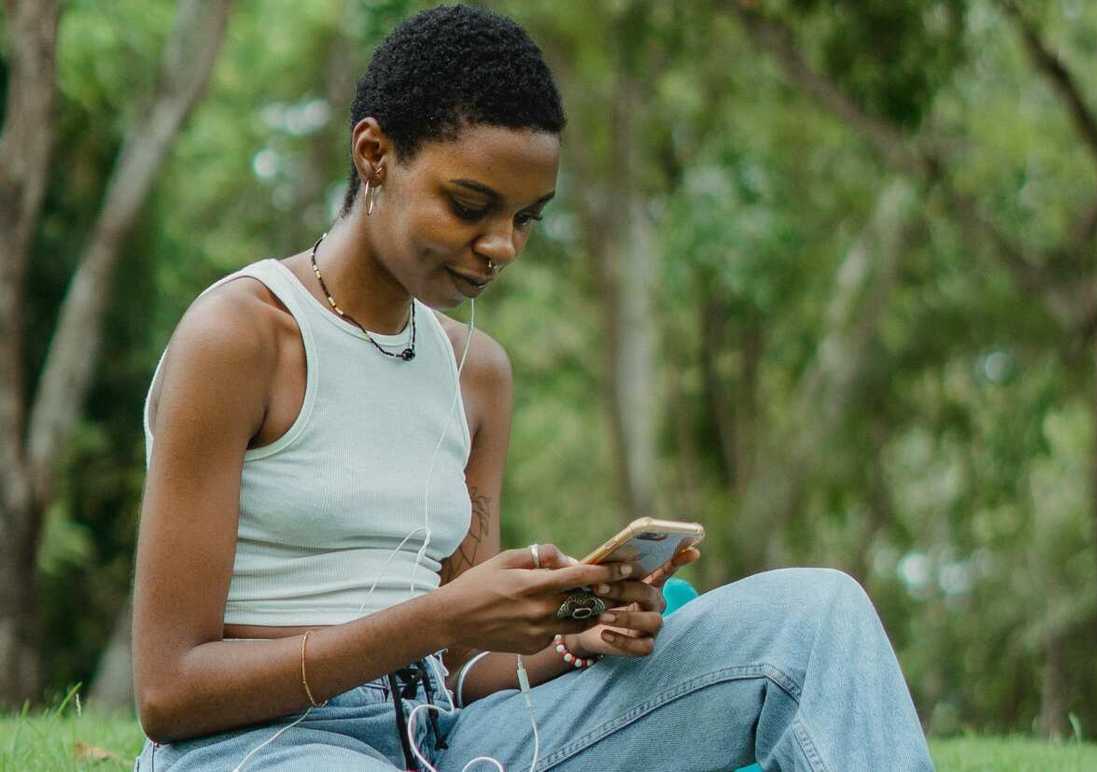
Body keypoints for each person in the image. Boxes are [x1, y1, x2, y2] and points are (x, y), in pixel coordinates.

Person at [130, 5, 934, 771]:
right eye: (471, 205)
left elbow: (456, 661)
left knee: (815, 618)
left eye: (528, 218)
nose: (502, 246)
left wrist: (566, 637)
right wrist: (441, 617)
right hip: (266, 744)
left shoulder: (476, 372)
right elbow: (169, 692)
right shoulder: (244, 336)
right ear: (374, 154)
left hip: (443, 734)